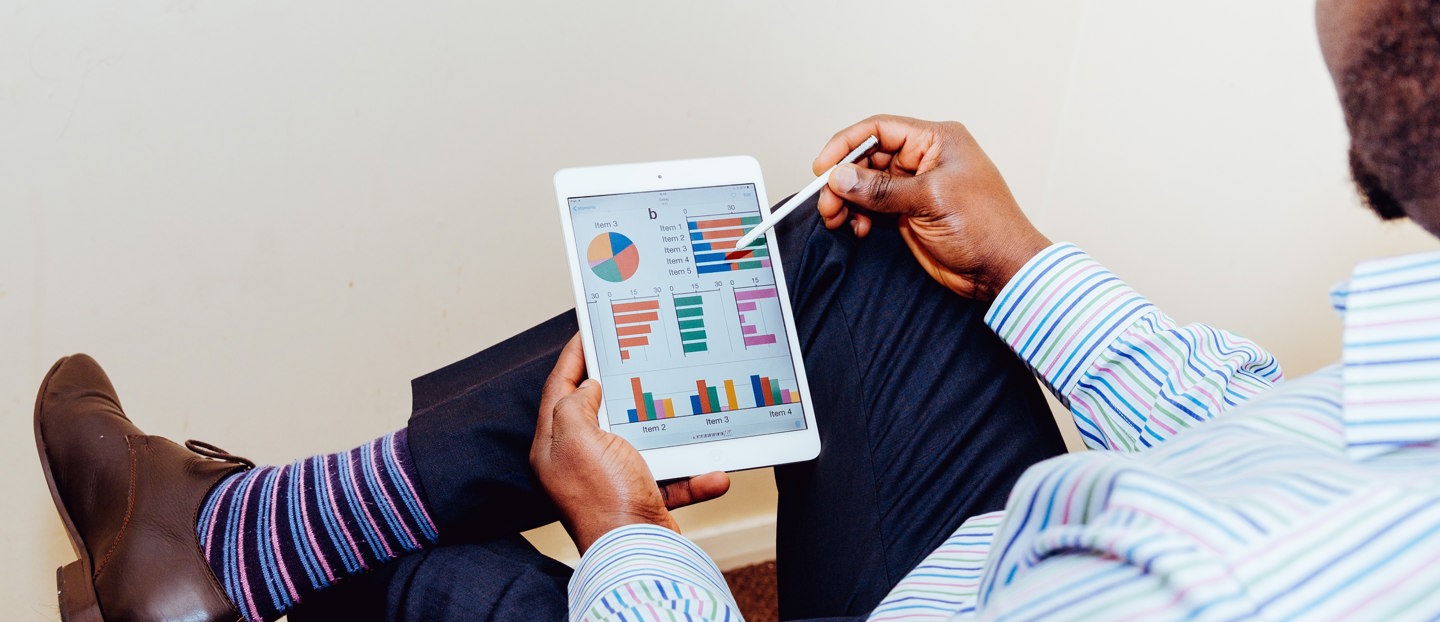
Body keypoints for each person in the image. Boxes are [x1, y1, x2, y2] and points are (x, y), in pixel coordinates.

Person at [33, 0, 1440, 619]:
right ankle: (230, 531)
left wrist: (634, 538)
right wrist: (1022, 259)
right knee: (859, 246)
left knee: (441, 585)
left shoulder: (1239, 592)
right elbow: (1260, 435)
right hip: (1017, 562)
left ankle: (244, 540)